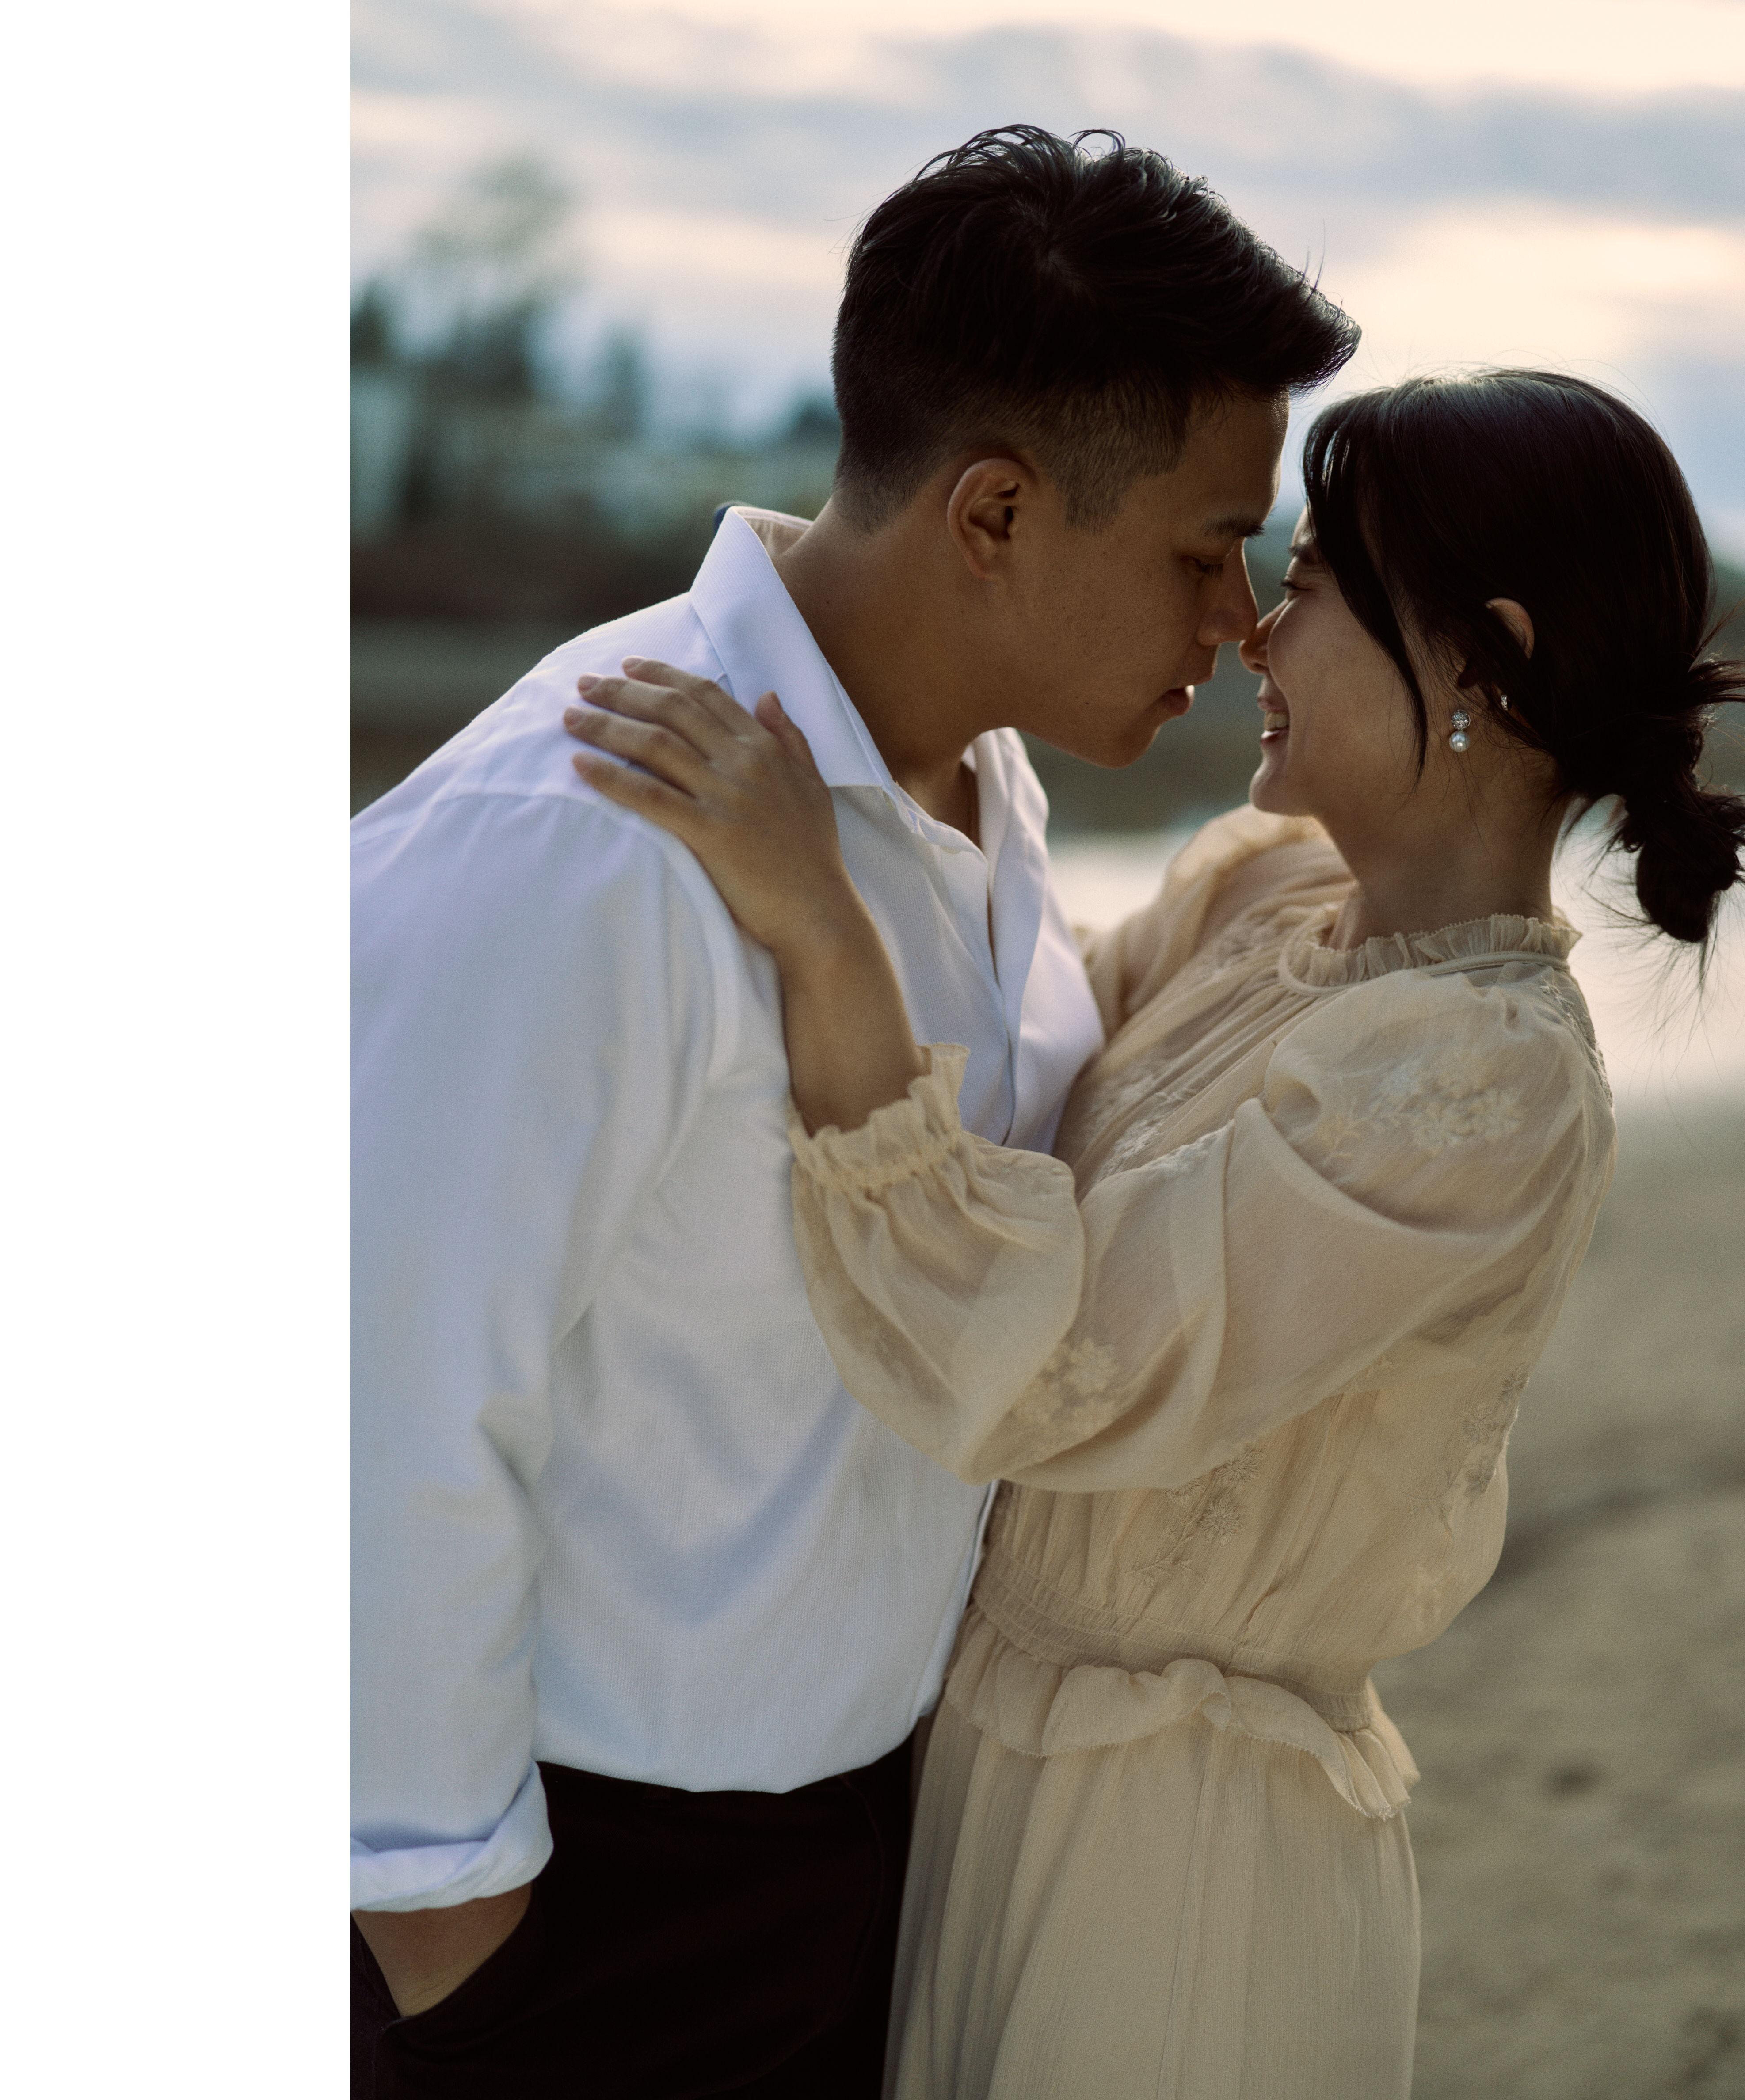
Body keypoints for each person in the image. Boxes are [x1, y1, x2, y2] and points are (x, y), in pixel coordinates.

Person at [564, 366, 1745, 2099]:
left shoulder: (1487, 1079)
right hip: (974, 1757)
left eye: (1314, 583)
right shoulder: (1262, 892)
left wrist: (821, 924)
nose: (1257, 631)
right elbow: (998, 1079)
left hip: (1181, 1850)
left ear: (1482, 660)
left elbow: (1051, 1363)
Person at [351, 126, 1356, 2097]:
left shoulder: (986, 795)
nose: (1238, 619)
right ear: (996, 513)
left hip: (850, 1868)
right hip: (573, 1909)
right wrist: (445, 1923)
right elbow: (368, 1384)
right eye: (1201, 548)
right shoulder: (582, 835)